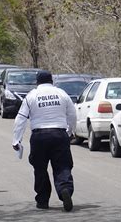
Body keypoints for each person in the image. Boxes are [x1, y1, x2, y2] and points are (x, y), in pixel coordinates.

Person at [12, 70, 77, 212]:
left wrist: (16, 140)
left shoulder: (31, 96)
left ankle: (42, 200)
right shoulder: (62, 94)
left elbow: (21, 119)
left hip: (39, 136)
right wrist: (70, 132)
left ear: (37, 82)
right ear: (52, 80)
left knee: (40, 168)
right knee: (62, 166)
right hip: (59, 134)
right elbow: (72, 114)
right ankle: (64, 189)